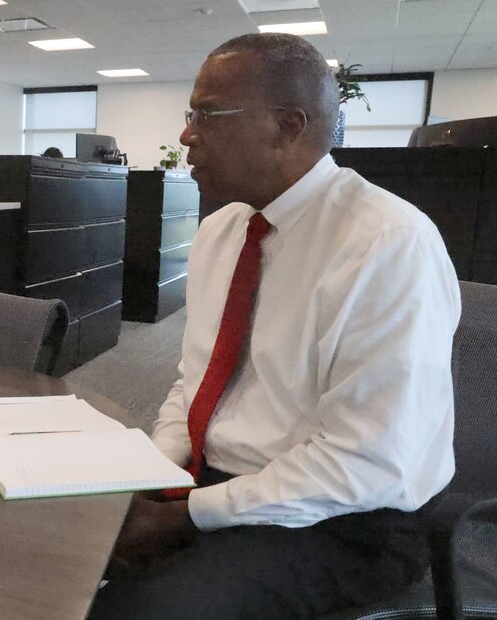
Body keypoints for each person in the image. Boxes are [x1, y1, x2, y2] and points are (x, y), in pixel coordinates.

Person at [89, 33, 460, 619]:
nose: (186, 135)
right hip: (220, 481)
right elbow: (194, 381)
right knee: (59, 547)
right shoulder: (222, 230)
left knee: (138, 611)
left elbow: (364, 464)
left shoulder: (387, 244)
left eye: (207, 115)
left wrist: (184, 515)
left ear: (287, 127)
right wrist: (153, 476)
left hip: (344, 521)